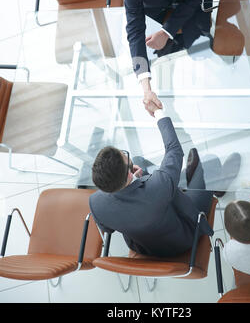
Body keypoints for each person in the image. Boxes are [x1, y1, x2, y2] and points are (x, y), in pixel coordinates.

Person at [89, 106, 238, 258]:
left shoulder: (95, 202)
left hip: (145, 246)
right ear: (128, 174)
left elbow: (108, 229)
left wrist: (133, 183)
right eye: (124, 155)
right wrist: (159, 113)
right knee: (210, 161)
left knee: (140, 160)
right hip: (183, 238)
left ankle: (183, 176)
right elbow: (174, 149)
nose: (124, 154)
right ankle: (218, 187)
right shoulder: (157, 187)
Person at [123, 0, 213, 117]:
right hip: (157, 9)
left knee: (201, 51)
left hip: (190, 2)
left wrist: (166, 31)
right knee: (162, 57)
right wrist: (145, 86)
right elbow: (135, 31)